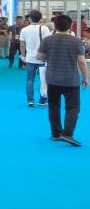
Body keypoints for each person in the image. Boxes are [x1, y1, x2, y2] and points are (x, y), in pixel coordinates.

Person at [37, 14, 89, 147]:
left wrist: (49, 57)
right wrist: (86, 77)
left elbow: (39, 56)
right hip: (71, 80)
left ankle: (56, 134)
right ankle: (67, 133)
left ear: (55, 26)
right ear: (70, 26)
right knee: (73, 107)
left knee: (54, 107)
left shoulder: (47, 40)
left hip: (52, 79)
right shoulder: (76, 41)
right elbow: (82, 62)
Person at [20, 10, 51, 107]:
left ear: (29, 19)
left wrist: (22, 55)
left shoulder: (24, 30)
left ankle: (30, 100)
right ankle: (43, 99)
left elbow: (22, 44)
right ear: (40, 18)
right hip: (43, 58)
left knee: (30, 79)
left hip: (30, 58)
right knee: (44, 80)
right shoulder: (45, 28)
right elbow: (48, 43)